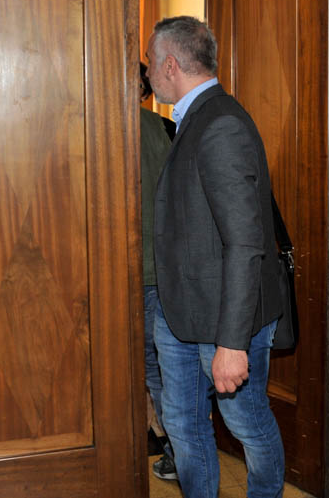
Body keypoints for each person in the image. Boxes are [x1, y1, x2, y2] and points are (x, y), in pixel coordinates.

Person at [146, 16, 286, 498]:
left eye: (150, 63)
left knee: (247, 422)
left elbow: (245, 242)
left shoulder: (220, 122)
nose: (147, 74)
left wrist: (232, 343)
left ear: (170, 65)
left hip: (227, 319)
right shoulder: (195, 117)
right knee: (182, 424)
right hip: (181, 314)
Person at [138, 62, 178, 481]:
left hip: (129, 270)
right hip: (160, 268)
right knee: (160, 365)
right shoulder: (164, 128)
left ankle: (176, 450)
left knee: (148, 365)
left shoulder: (100, 127)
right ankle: (177, 449)